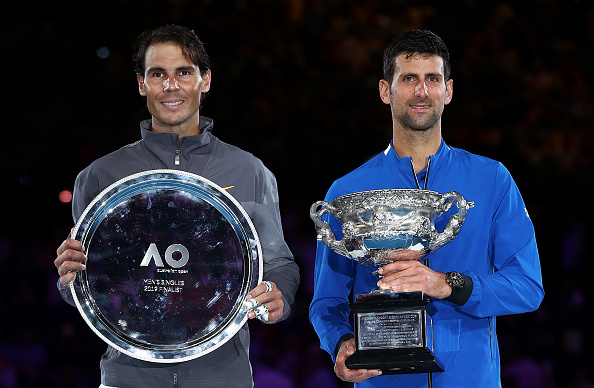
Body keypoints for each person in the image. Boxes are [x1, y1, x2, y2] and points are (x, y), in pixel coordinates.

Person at [54, 24, 300, 388]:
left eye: (184, 72)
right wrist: (68, 277)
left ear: (206, 80)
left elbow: (278, 261)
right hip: (128, 377)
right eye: (158, 74)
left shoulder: (249, 171)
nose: (171, 86)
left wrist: (278, 293)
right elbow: (89, 287)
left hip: (222, 376)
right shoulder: (100, 177)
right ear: (142, 84)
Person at [309, 30, 544, 387]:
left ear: (447, 91)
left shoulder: (492, 178)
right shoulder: (347, 191)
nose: (421, 91)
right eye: (409, 79)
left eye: (432, 79)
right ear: (385, 91)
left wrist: (447, 285)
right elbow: (326, 301)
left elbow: (527, 286)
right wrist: (341, 343)